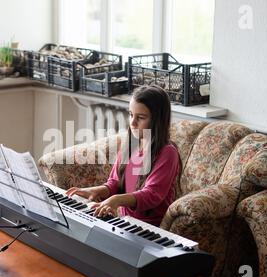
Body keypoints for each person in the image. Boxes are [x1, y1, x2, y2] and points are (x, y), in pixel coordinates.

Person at [66, 85, 182, 227]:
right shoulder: (131, 145)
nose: (132, 123)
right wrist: (96, 190)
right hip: (124, 222)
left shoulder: (168, 153)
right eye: (131, 115)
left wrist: (115, 200)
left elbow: (152, 195)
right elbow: (115, 183)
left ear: (157, 120)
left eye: (140, 117)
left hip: (151, 228)